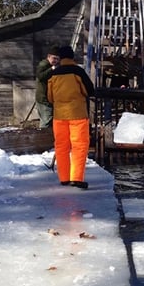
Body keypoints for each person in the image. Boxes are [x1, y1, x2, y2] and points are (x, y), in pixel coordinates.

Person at [47, 45, 95, 189]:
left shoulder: (53, 75)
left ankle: (64, 178)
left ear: (60, 58)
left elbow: (50, 97)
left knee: (61, 146)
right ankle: (76, 178)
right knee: (79, 145)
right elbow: (89, 91)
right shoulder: (78, 72)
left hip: (59, 116)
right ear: (72, 57)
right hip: (77, 114)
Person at [35, 46, 61, 129]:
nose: (55, 61)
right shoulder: (44, 65)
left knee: (47, 120)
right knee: (46, 121)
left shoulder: (49, 65)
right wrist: (52, 69)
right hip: (44, 98)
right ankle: (43, 139)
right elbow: (40, 76)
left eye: (57, 59)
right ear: (48, 56)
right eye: (54, 58)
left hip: (47, 97)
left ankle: (44, 138)